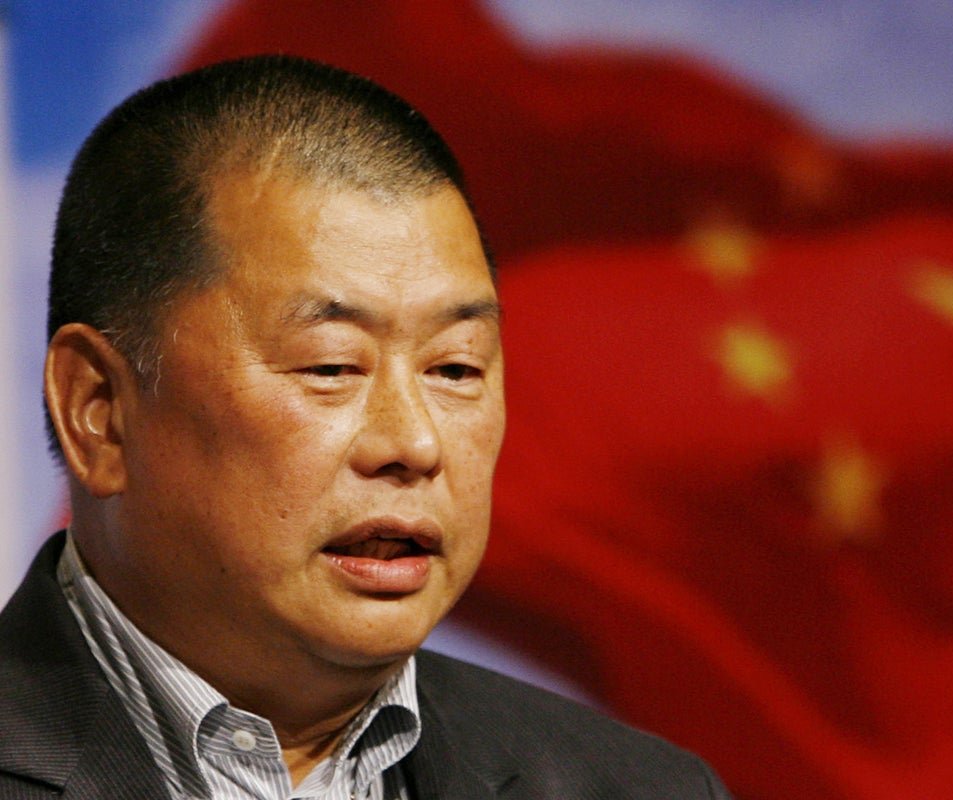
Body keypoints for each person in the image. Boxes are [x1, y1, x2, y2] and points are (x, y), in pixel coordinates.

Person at [0, 55, 731, 799]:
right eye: (332, 365)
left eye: (455, 368)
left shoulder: (643, 789)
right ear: (99, 411)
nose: (414, 444)